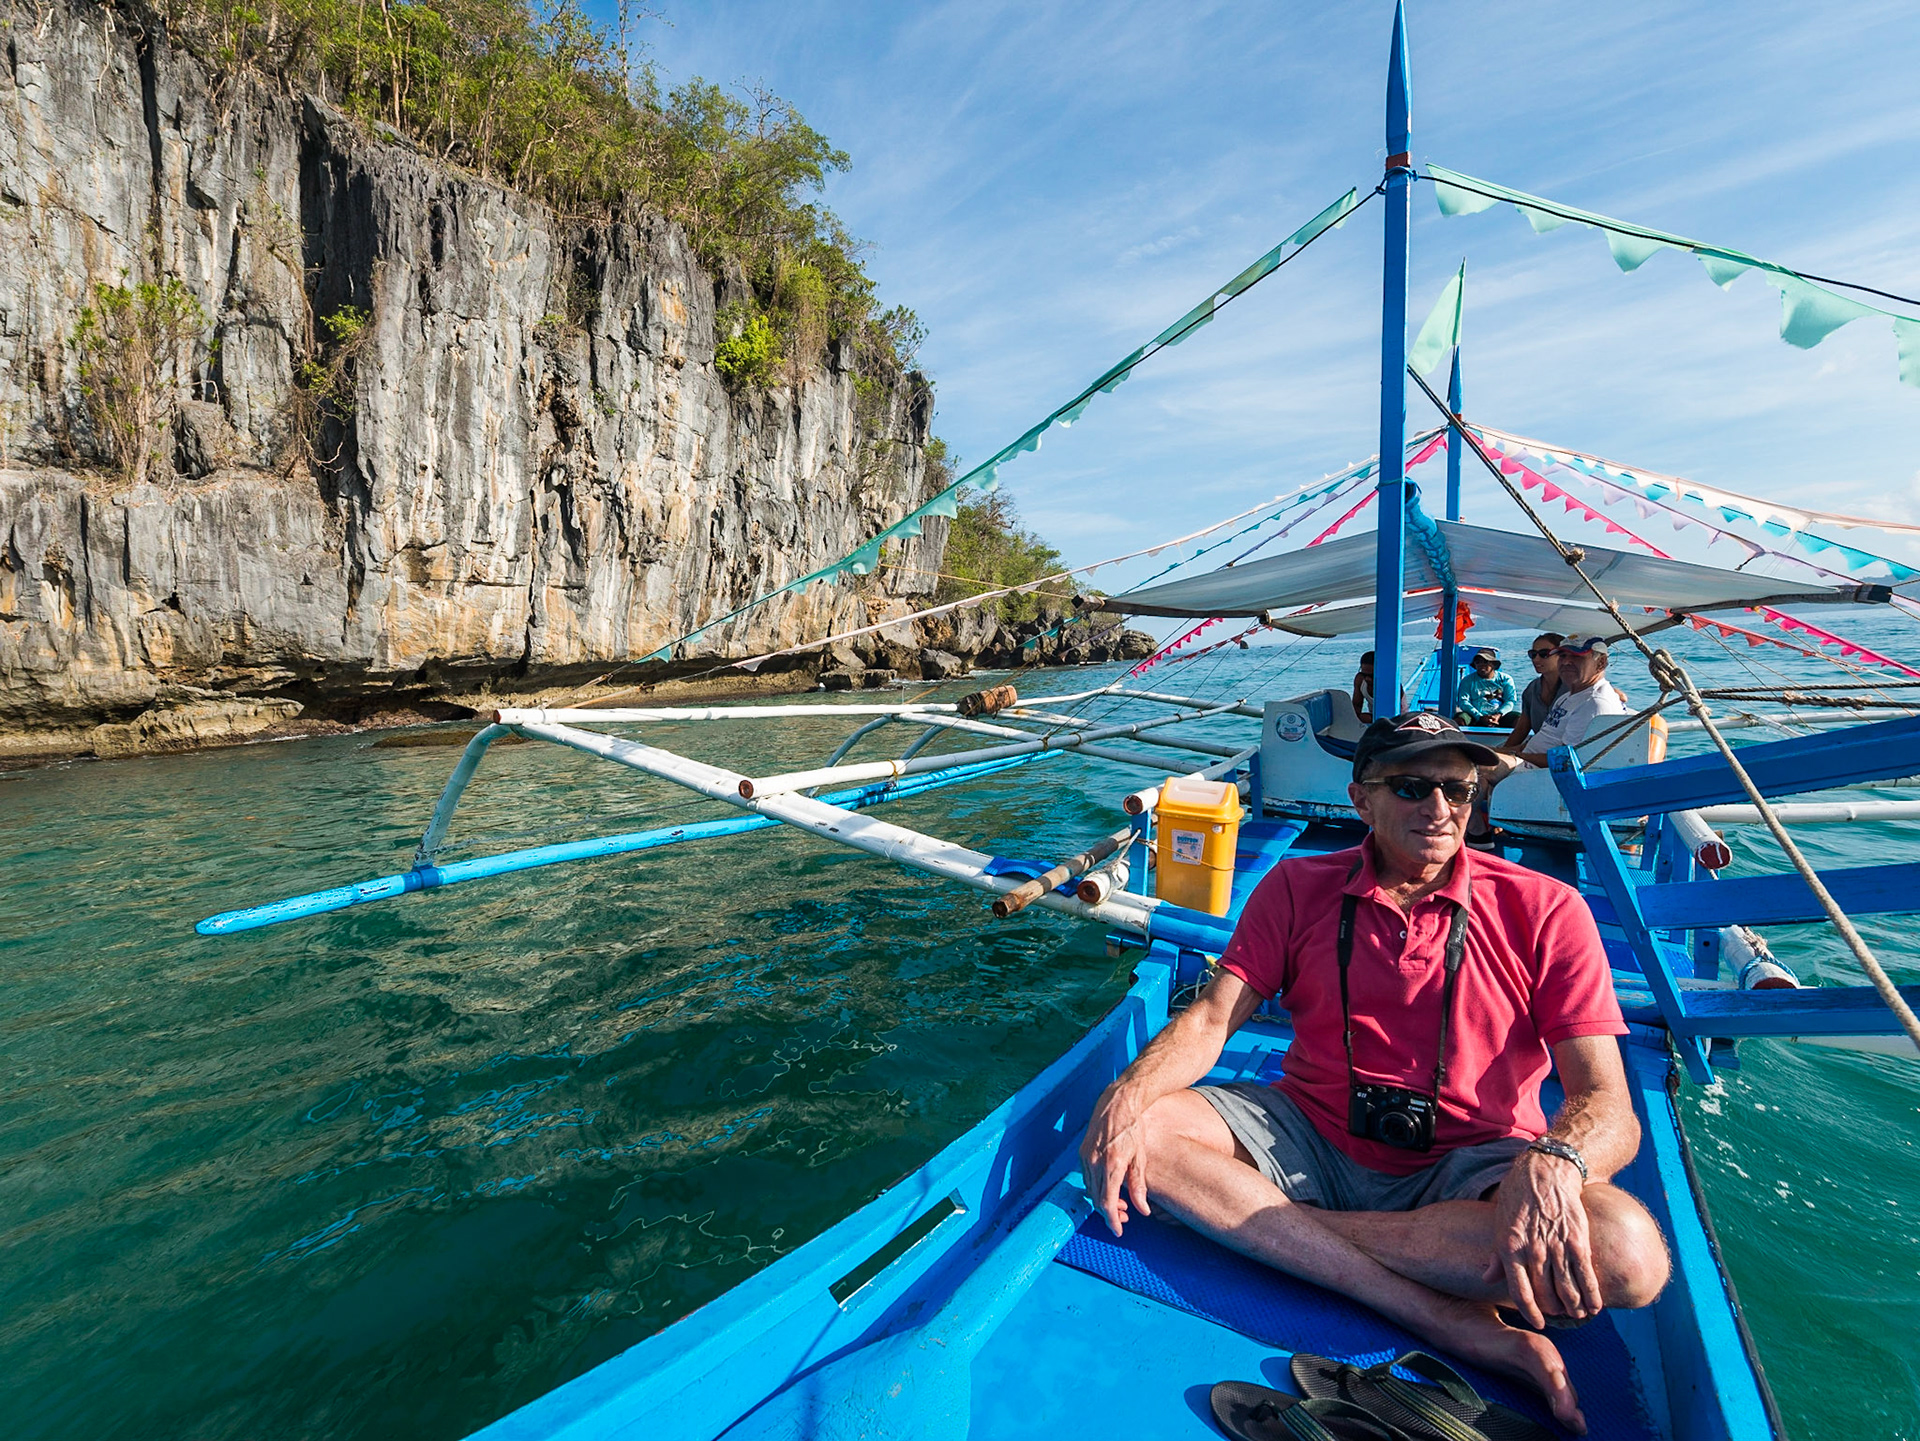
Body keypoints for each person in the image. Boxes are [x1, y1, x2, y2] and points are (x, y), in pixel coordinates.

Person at [1079, 711, 1668, 1434]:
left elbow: (1607, 1099)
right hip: (1312, 1136)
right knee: (1146, 1128)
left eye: (1459, 788)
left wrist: (1556, 1160)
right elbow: (1210, 1020)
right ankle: (1431, 1308)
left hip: (1474, 1162)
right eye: (1414, 786)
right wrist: (1128, 1089)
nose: (1442, 808)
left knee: (1630, 1253)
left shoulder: (1546, 908)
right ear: (1361, 800)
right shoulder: (1298, 888)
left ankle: (1280, 1231)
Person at [1499, 633, 1564, 755]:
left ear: (1562, 654)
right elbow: (1522, 729)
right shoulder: (1532, 689)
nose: (1536, 659)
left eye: (1544, 654)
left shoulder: (1573, 690)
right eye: (1533, 654)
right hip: (1535, 750)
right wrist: (1503, 753)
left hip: (1560, 754)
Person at [1454, 648, 1520, 727]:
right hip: (1475, 717)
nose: (1481, 665)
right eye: (1478, 662)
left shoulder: (1505, 679)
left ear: (1493, 664)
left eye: (1485, 661)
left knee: (1519, 719)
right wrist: (1480, 717)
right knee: (1460, 718)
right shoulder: (1467, 681)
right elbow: (1463, 702)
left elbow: (1510, 701)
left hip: (1500, 717)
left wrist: (1498, 715)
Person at [1351, 651, 1375, 723]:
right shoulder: (1360, 679)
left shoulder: (1389, 683)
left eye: (1372, 676)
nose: (1367, 679)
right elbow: (1356, 705)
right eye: (1364, 674)